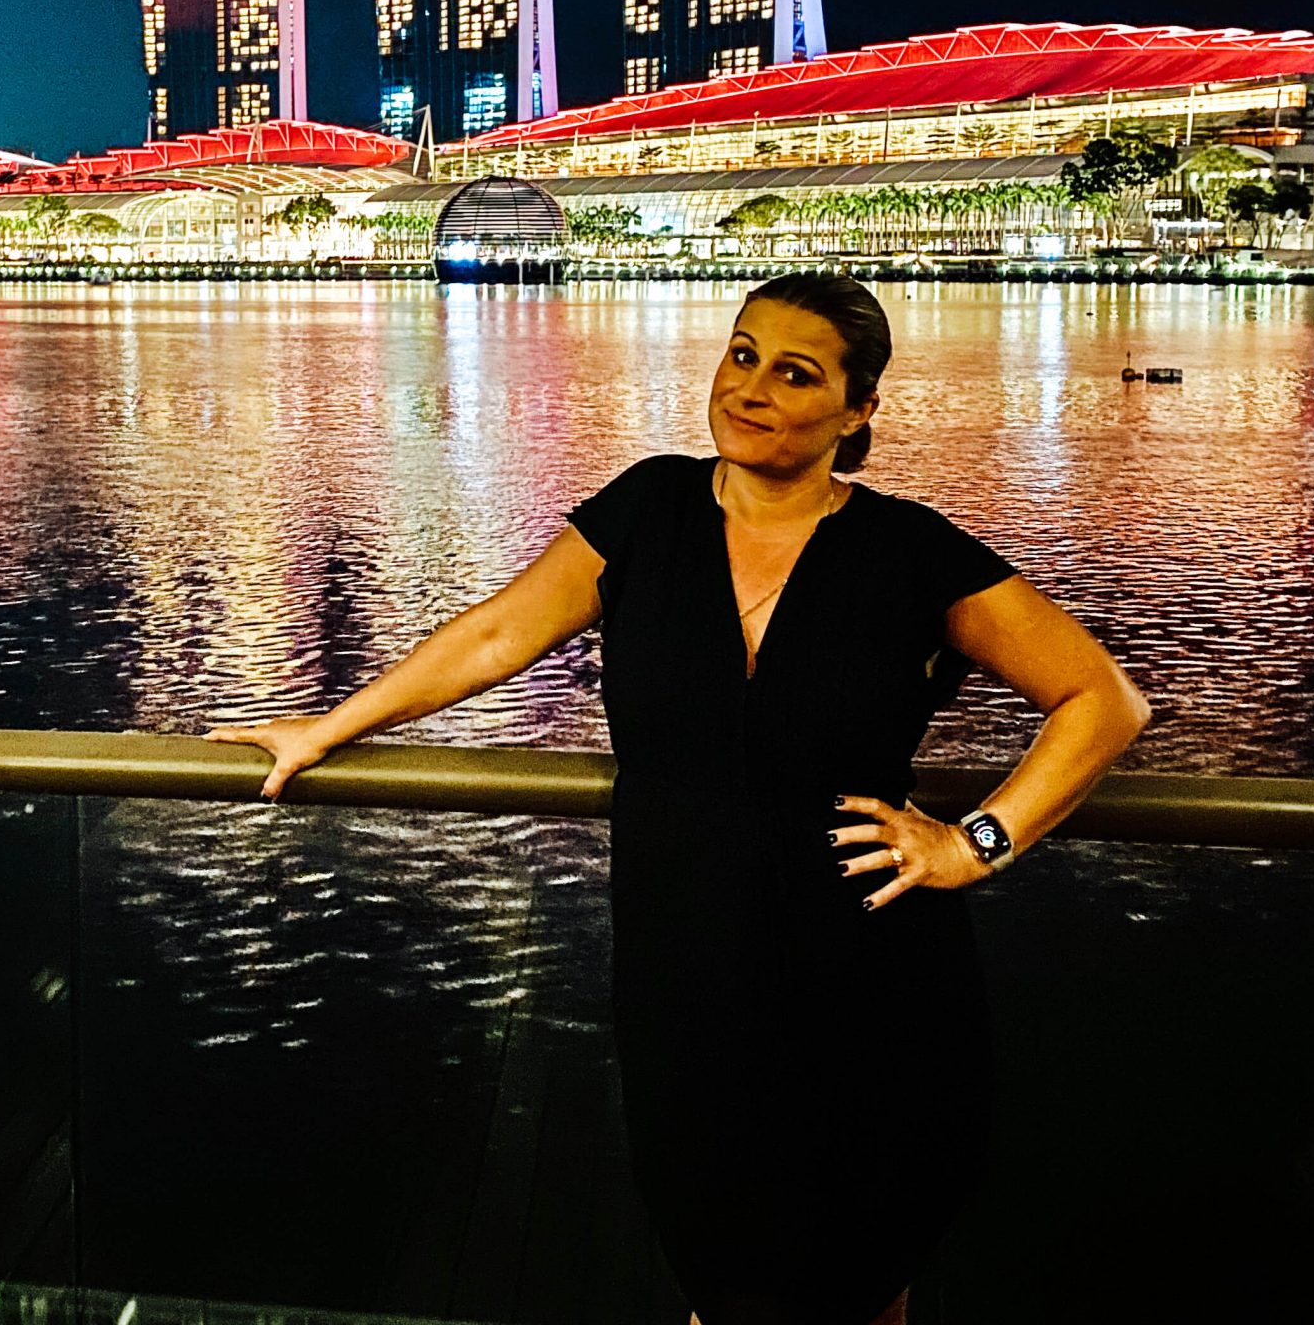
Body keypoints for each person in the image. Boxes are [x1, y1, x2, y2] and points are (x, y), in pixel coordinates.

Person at [207, 272, 1151, 1325]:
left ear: (858, 411)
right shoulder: (648, 509)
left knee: (861, 1278)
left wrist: (975, 841)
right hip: (686, 972)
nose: (750, 387)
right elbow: (494, 634)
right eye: (741, 354)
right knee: (720, 1264)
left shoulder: (911, 552)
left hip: (870, 976)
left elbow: (1102, 700)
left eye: (795, 373)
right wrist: (327, 727)